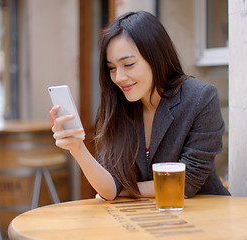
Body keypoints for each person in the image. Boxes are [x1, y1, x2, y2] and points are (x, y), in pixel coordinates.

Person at [50, 11, 230, 200]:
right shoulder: (119, 105)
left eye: (128, 64)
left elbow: (185, 184)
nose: (118, 78)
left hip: (205, 217)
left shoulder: (200, 97)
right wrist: (77, 148)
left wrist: (126, 191)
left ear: (156, 57)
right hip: (149, 220)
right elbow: (109, 188)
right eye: (112, 68)